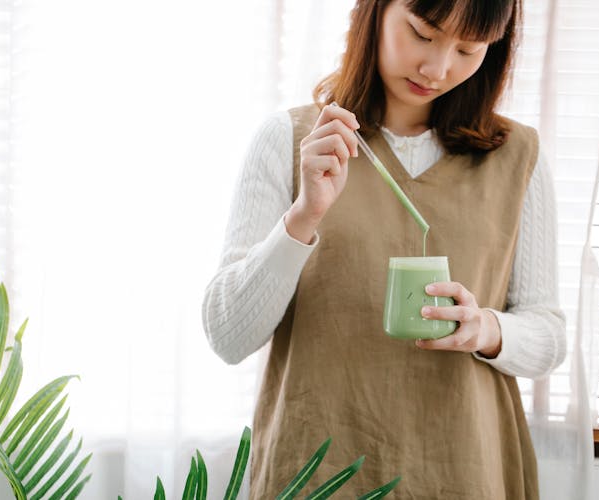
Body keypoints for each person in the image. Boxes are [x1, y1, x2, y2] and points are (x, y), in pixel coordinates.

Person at [202, 0, 566, 498]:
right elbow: (228, 336)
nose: (437, 69)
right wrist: (304, 215)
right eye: (422, 33)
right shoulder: (290, 141)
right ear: (374, 11)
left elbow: (549, 335)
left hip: (464, 471)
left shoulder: (517, 155)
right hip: (319, 470)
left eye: (467, 48)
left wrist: (487, 328)